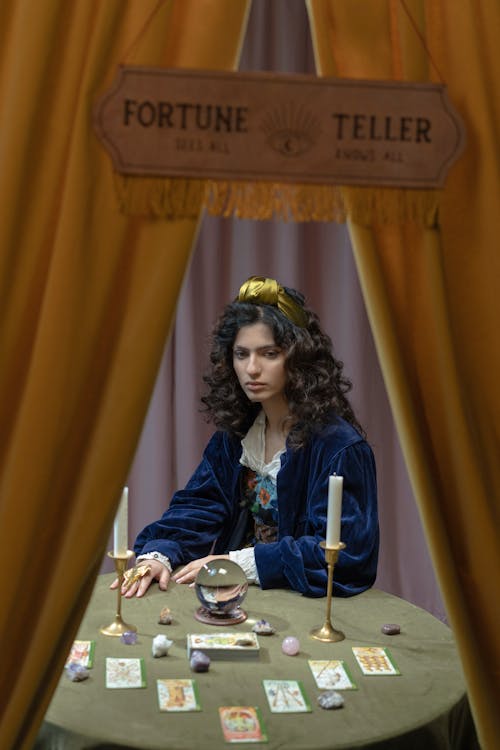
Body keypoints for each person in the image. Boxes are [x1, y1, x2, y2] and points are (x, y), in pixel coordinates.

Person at [117, 276, 379, 599]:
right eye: (242, 354)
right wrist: (159, 553)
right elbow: (198, 506)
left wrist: (238, 562)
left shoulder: (339, 448)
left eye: (269, 354)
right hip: (234, 597)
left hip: (305, 604)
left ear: (297, 358)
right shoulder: (236, 438)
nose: (252, 369)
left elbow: (347, 555)